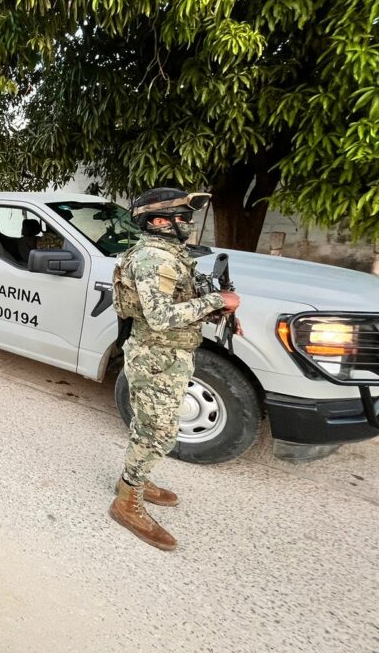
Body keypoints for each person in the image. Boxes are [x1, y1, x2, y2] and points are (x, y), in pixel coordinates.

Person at [109, 187, 240, 551]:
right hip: (156, 358)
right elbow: (160, 316)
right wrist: (218, 300)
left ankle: (136, 476)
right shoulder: (154, 259)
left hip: (168, 355)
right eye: (182, 217)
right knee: (159, 434)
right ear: (161, 221)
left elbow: (178, 301)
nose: (188, 224)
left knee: (150, 428)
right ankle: (126, 501)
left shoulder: (170, 254)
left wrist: (214, 309)